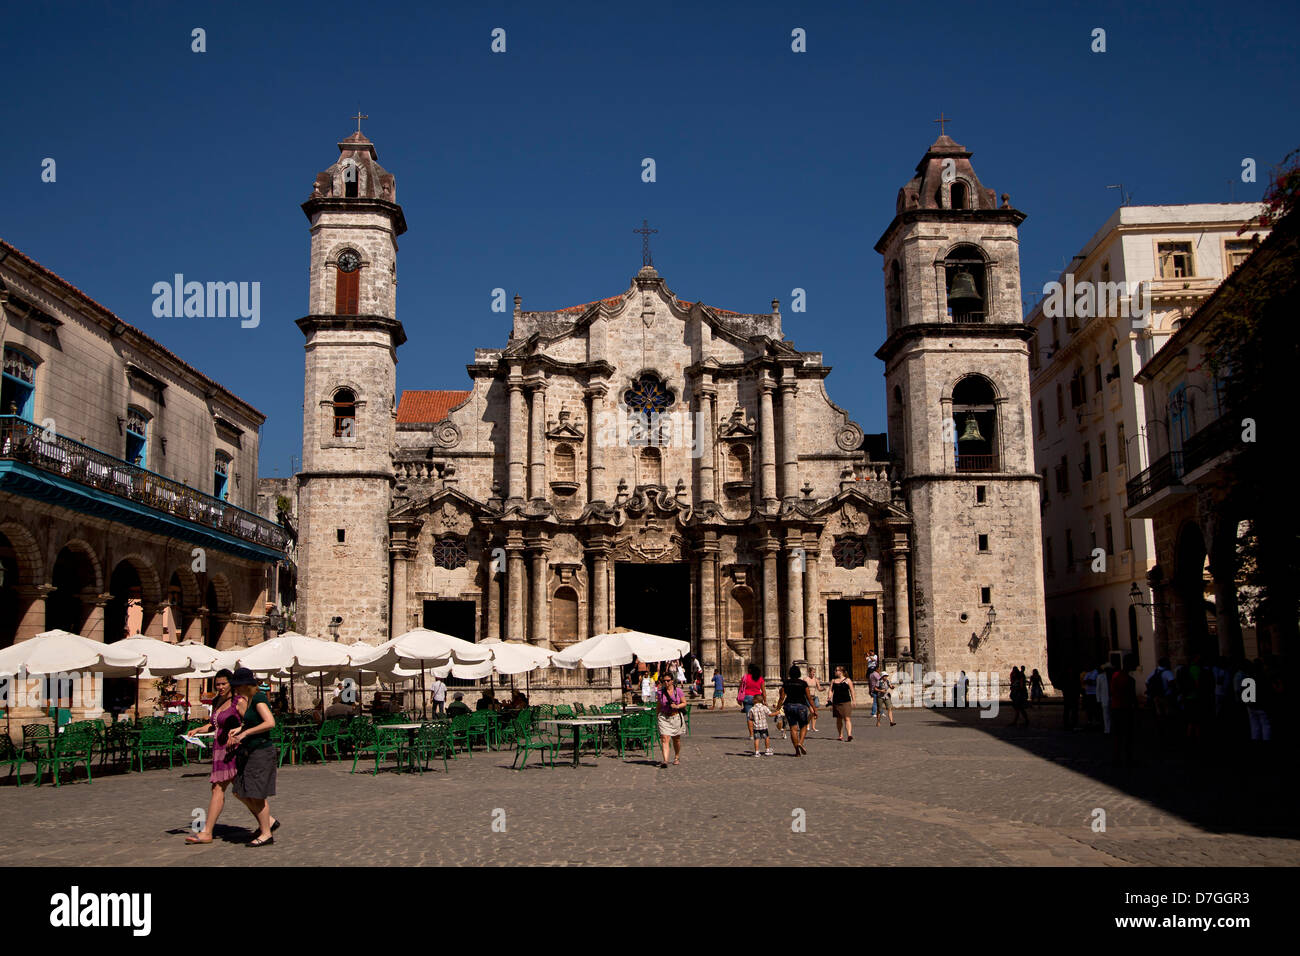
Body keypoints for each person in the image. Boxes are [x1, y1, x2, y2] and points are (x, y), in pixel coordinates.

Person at [185, 669, 239, 845]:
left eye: (224, 684)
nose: (221, 687)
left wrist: (237, 733)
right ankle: (267, 822)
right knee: (225, 789)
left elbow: (249, 722)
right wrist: (197, 730)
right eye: (218, 684)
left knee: (239, 790)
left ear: (231, 683)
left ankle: (207, 831)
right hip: (219, 749)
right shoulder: (217, 701)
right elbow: (213, 724)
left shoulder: (238, 701)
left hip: (233, 749)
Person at [227, 667, 278, 847]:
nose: (236, 690)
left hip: (261, 751)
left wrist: (246, 732)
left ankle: (266, 833)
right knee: (238, 791)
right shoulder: (248, 700)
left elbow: (270, 722)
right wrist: (239, 729)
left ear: (245, 684)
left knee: (257, 794)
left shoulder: (258, 699)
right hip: (250, 751)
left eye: (237, 686)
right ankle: (269, 822)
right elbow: (251, 721)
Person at [775, 665, 815, 756]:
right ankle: (800, 742)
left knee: (793, 729)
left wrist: (778, 707)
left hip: (789, 706)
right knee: (803, 726)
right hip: (801, 706)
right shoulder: (803, 683)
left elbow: (782, 697)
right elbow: (809, 698)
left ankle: (797, 751)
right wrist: (814, 709)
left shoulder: (786, 683)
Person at [1110, 654, 1138, 766]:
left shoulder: (1115, 675)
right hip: (1125, 709)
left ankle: (1117, 756)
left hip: (1116, 708)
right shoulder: (1130, 680)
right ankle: (1128, 757)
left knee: (1117, 735)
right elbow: (1132, 697)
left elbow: (1112, 691)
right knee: (1127, 734)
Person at [656, 673, 688, 767]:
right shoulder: (660, 692)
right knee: (665, 738)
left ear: (672, 681)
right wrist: (657, 715)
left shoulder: (678, 691)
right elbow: (659, 705)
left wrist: (677, 706)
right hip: (664, 717)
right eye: (664, 681)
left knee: (676, 739)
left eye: (668, 680)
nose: (666, 682)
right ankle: (665, 760)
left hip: (676, 717)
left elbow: (684, 703)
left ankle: (677, 756)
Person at [738, 664, 765, 740]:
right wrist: (765, 700)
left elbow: (741, 688)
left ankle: (751, 735)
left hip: (747, 697)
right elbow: (763, 691)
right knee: (759, 716)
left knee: (749, 717)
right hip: (758, 698)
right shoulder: (760, 678)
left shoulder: (745, 677)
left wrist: (739, 698)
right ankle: (760, 733)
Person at [830, 665, 854, 741]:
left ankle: (849, 735)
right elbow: (831, 690)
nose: (835, 672)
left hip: (846, 701)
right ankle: (840, 735)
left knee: (847, 718)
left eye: (836, 670)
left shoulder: (848, 680)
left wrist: (854, 700)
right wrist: (829, 698)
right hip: (836, 701)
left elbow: (852, 690)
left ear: (841, 672)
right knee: (839, 719)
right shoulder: (833, 681)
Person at [1096, 662, 1112, 734]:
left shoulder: (1113, 677)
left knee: (1112, 714)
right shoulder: (1100, 677)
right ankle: (1107, 729)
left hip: (1112, 698)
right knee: (1106, 715)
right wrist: (1098, 699)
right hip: (1104, 698)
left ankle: (1111, 728)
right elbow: (1098, 689)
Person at [806, 667, 822, 734]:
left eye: (814, 672)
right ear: (809, 672)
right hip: (808, 697)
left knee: (815, 712)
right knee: (812, 712)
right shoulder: (806, 679)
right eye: (812, 672)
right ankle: (807, 723)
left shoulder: (816, 680)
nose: (813, 674)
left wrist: (823, 689)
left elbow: (819, 688)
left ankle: (813, 727)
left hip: (814, 697)